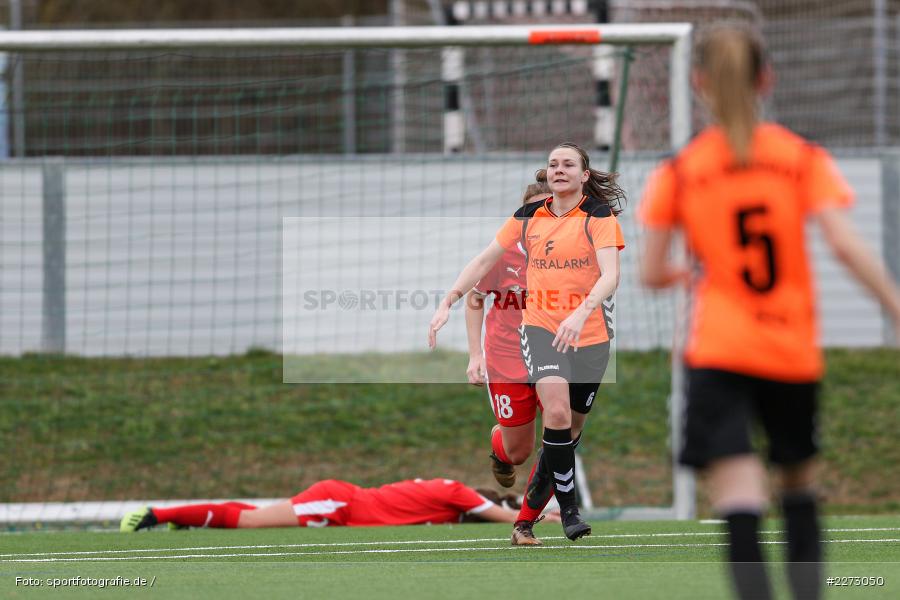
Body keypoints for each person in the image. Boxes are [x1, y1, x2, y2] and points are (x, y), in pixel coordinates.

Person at [637, 25, 900, 600]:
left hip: (720, 348)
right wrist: (896, 308)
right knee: (798, 484)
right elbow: (846, 245)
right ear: (767, 78)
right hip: (789, 349)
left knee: (738, 496)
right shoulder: (799, 158)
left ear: (697, 82)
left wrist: (694, 273)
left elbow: (651, 274)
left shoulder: (678, 173)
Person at [430, 142, 626, 542]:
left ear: (584, 175)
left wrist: (581, 311)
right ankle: (562, 506)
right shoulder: (522, 225)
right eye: (552, 164)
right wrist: (448, 305)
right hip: (524, 345)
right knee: (533, 438)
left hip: (584, 338)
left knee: (564, 431)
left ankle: (526, 522)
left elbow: (610, 275)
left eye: (567, 164)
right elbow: (480, 274)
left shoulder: (596, 218)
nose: (558, 170)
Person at [465, 178, 550, 492]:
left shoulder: (572, 254)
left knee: (560, 429)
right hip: (506, 357)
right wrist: (476, 356)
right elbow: (475, 299)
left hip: (551, 354)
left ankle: (542, 508)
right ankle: (500, 442)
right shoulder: (503, 254)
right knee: (518, 452)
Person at [120, 477, 559, 531]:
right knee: (253, 522)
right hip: (340, 504)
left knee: (260, 513)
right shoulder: (459, 493)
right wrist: (544, 512)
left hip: (341, 500)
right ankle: (161, 513)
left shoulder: (450, 496)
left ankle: (185, 520)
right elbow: (507, 517)